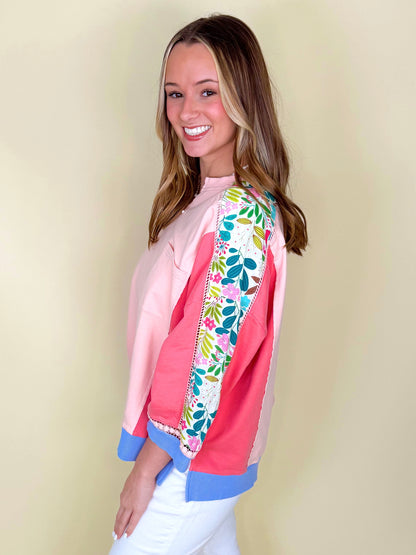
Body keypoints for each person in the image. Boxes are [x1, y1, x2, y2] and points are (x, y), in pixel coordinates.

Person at [109, 13, 308, 555]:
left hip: (190, 459)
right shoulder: (203, 202)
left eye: (207, 92)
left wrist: (145, 470)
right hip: (198, 454)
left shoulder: (239, 214)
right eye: (175, 93)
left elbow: (204, 359)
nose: (186, 112)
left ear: (243, 98)